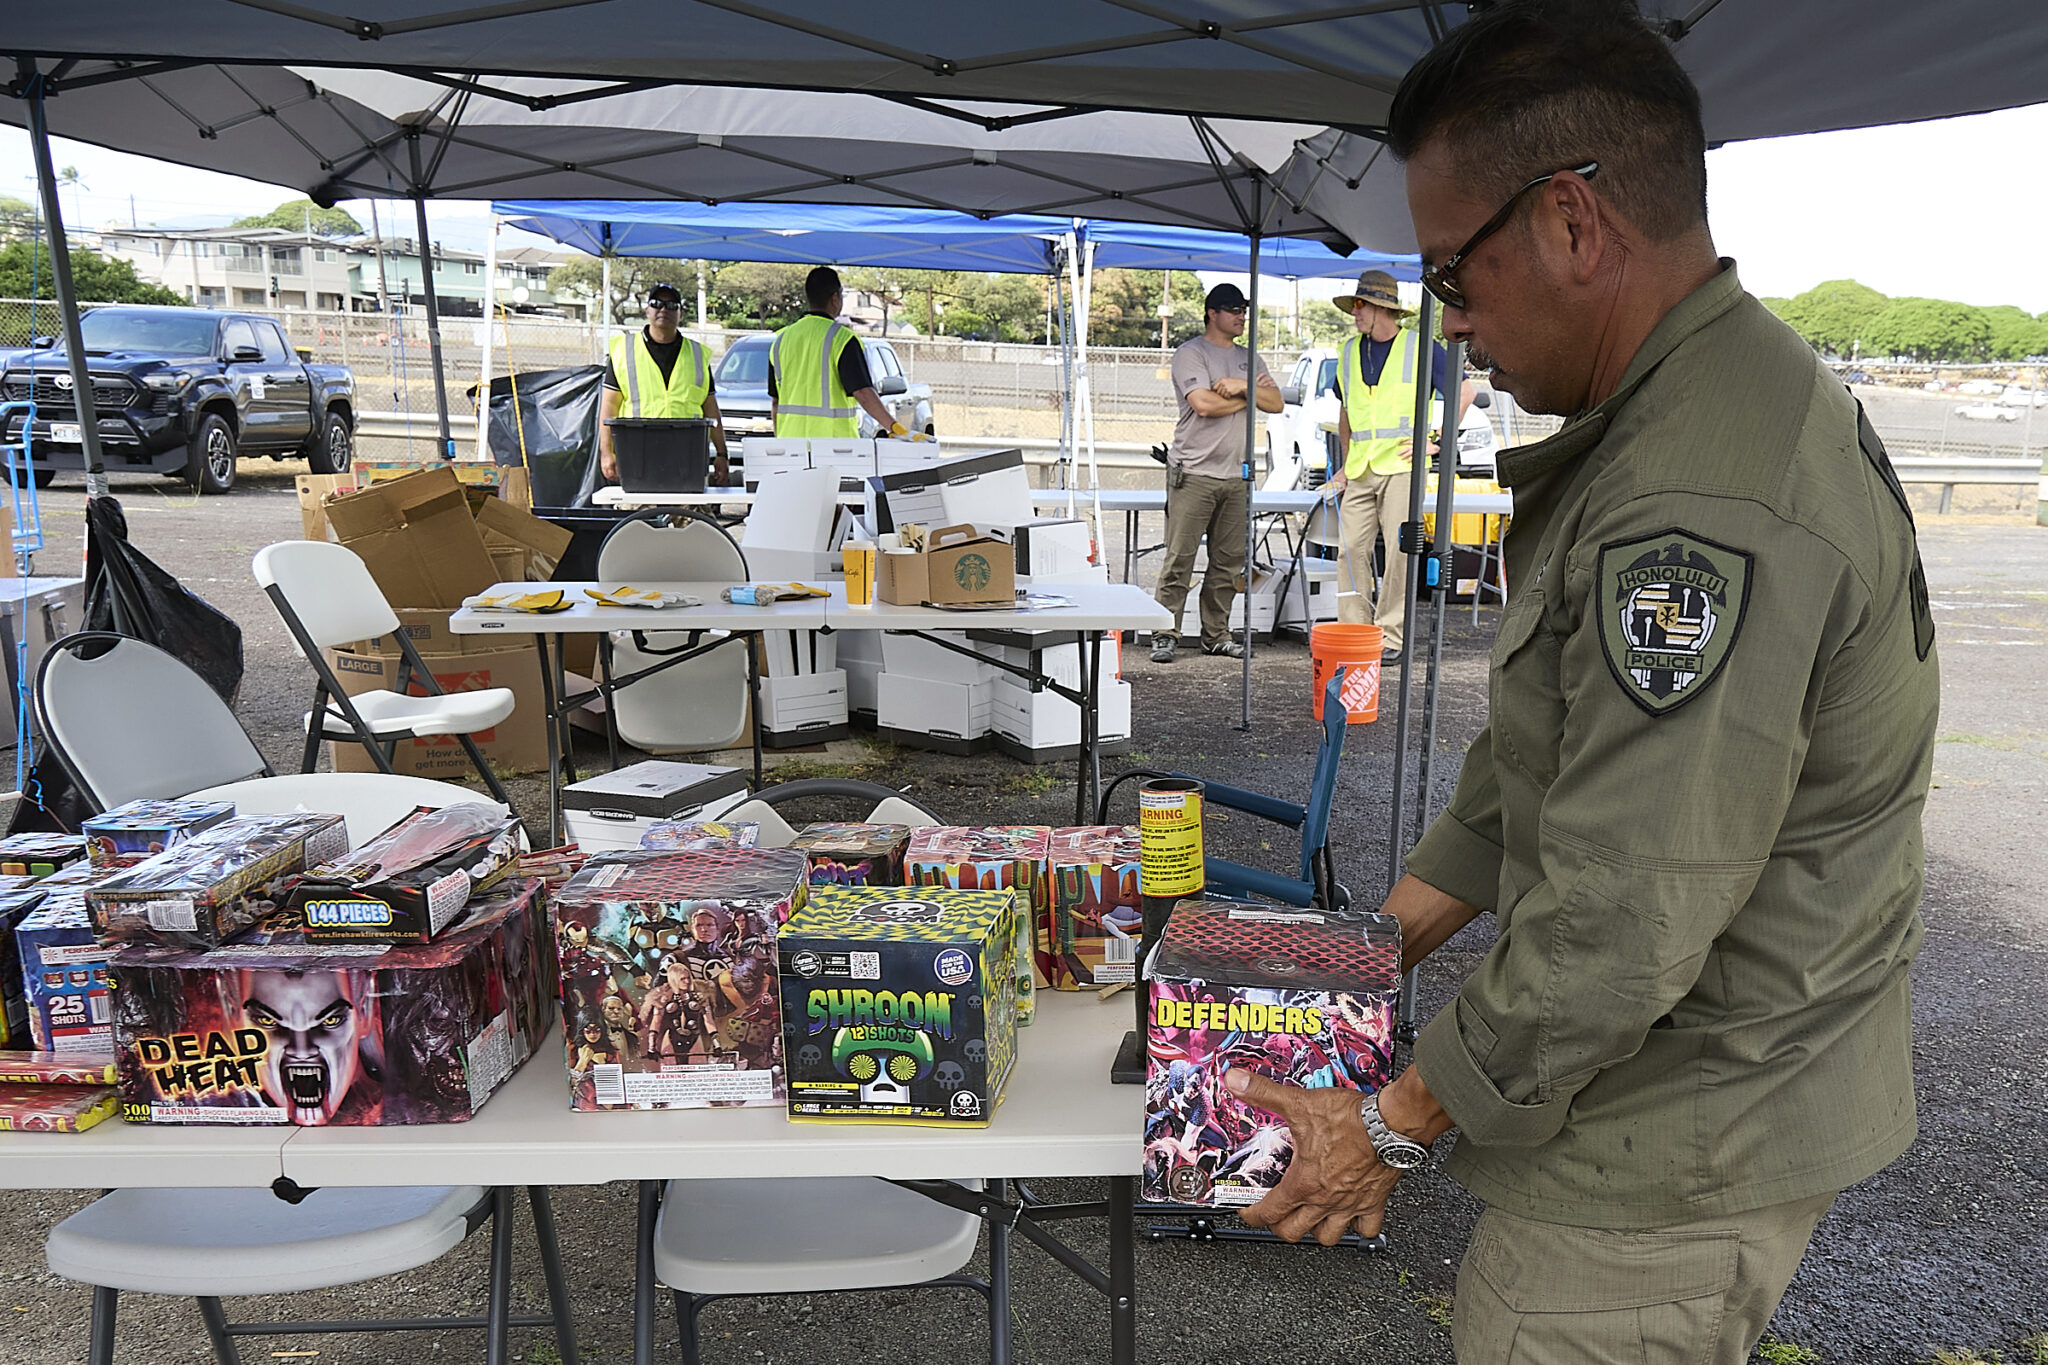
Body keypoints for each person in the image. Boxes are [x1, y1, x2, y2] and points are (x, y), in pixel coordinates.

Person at [1223, 5, 1939, 1362]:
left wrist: (1382, 1127)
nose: (1454, 326)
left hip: (1677, 1135)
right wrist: (1357, 956)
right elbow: (1547, 755)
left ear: (1569, 222)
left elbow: (1622, 916)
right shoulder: (1683, 411)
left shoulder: (1697, 502)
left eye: (1451, 276)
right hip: (1694, 1085)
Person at [1327, 268, 1470, 665]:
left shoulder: (1420, 347)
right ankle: (1356, 633)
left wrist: (1436, 442)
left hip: (1403, 469)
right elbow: (1346, 412)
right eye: (1354, 305)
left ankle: (1389, 637)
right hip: (1360, 470)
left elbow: (1466, 391)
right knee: (1349, 551)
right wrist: (1344, 462)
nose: (1353, 313)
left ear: (1380, 308)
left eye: (1359, 305)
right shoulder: (1347, 351)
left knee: (1399, 553)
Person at [1152, 282, 1283, 663]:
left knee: (1228, 563)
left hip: (1237, 476)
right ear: (1212, 313)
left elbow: (1275, 403)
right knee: (1180, 558)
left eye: (1244, 308)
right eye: (1234, 309)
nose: (1242, 315)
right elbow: (1204, 404)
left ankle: (1216, 634)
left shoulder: (1250, 359)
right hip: (1194, 472)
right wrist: (1249, 399)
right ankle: (1165, 632)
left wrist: (1241, 387)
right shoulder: (1191, 354)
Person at [769, 266, 923, 441]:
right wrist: (895, 428)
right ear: (835, 298)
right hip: (834, 447)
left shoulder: (781, 340)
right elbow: (863, 392)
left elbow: (776, 403)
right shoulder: (842, 339)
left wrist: (780, 443)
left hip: (792, 447)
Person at [598, 281, 730, 485]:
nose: (663, 309)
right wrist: (607, 453)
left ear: (681, 313)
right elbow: (609, 406)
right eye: (656, 303)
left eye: (671, 306)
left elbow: (710, 408)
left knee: (689, 516)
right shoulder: (624, 351)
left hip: (687, 461)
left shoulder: (697, 355)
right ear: (647, 309)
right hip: (638, 458)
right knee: (641, 517)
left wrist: (721, 454)